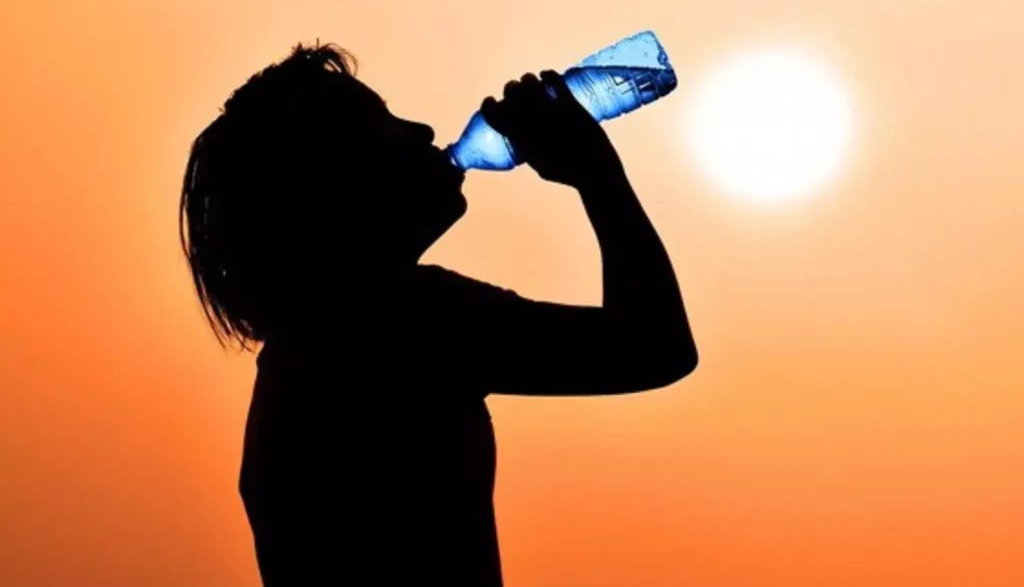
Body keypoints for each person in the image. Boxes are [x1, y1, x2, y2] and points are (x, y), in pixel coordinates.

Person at [178, 42, 698, 586]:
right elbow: (655, 347)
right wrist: (597, 173)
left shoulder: (305, 356)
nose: (423, 130)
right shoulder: (397, 324)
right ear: (333, 185)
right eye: (381, 126)